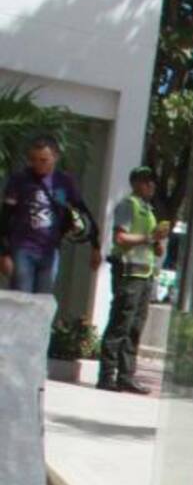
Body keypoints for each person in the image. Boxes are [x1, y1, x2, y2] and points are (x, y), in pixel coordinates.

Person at [0, 133, 101, 296]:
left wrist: (95, 246)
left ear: (55, 157)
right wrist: (4, 253)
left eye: (43, 160)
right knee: (21, 297)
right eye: (34, 160)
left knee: (43, 300)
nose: (38, 165)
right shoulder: (20, 180)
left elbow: (82, 210)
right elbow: (5, 216)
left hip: (50, 250)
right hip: (23, 249)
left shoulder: (64, 182)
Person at [98, 165, 169, 393]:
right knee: (120, 323)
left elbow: (150, 245)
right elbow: (121, 238)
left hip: (145, 274)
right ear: (136, 183)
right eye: (147, 182)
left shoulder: (148, 210)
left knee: (135, 327)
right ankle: (107, 375)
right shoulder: (129, 205)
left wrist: (157, 243)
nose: (151, 186)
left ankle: (126, 376)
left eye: (153, 182)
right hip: (128, 273)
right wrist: (149, 237)